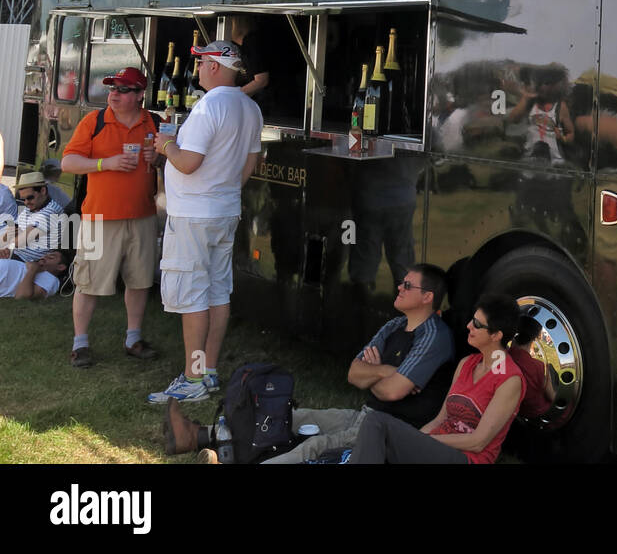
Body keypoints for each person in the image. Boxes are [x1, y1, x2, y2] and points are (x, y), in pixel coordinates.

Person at [164, 263, 454, 462]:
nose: (399, 287)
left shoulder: (433, 335)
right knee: (288, 416)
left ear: (428, 297)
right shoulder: (394, 326)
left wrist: (379, 378)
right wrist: (386, 372)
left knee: (314, 445)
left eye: (407, 285)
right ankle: (196, 436)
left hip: (389, 429)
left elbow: (392, 393)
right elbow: (354, 374)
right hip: (365, 413)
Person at [149, 40, 262, 403]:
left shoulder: (208, 107)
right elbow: (250, 163)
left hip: (193, 216)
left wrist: (164, 145)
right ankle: (208, 371)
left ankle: (193, 379)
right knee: (216, 291)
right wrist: (224, 189)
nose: (197, 70)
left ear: (215, 66)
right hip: (224, 211)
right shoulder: (250, 106)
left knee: (194, 295)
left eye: (201, 64)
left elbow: (188, 162)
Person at [61, 67, 162, 367]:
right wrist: (107, 163)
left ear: (140, 94)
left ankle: (133, 339)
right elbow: (68, 161)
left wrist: (158, 158)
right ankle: (80, 344)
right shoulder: (94, 121)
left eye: (122, 89)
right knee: (87, 281)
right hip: (97, 218)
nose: (113, 94)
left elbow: (172, 160)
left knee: (140, 280)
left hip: (143, 216)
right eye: (112, 88)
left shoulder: (154, 123)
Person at [348, 293, 523, 464]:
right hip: (437, 447)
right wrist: (419, 439)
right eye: (472, 319)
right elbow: (440, 419)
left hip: (466, 457)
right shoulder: (467, 364)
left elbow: (478, 442)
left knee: (376, 422)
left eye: (477, 324)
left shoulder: (509, 380)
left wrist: (424, 441)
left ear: (496, 335)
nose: (469, 325)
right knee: (377, 443)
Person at [0, 171, 67, 262]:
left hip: (30, 263)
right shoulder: (32, 207)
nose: (26, 202)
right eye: (23, 199)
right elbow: (9, 235)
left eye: (30, 197)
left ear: (43, 191)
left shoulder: (51, 212)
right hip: (15, 256)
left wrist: (9, 239)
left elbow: (19, 242)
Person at [510, 313, 556, 419]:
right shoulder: (540, 367)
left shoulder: (505, 357)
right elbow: (552, 397)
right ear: (535, 337)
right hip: (539, 414)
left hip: (519, 413)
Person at [0, 251, 68, 300]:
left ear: (60, 267)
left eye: (51, 257)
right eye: (45, 255)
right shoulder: (36, 267)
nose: (44, 257)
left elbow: (22, 297)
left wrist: (32, 270)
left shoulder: (51, 280)